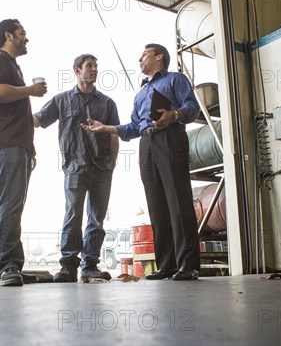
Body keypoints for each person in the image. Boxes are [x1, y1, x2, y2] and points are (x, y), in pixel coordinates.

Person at [84, 44, 201, 280]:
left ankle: (188, 265)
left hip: (171, 138)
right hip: (146, 144)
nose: (139, 59)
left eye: (144, 54)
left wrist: (173, 115)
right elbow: (134, 127)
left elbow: (192, 107)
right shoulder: (140, 95)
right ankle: (167, 264)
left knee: (178, 201)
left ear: (160, 56)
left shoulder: (175, 80)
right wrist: (105, 128)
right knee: (156, 205)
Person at [33, 54, 120, 282]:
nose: (94, 70)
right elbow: (38, 120)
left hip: (102, 168)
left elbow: (114, 133)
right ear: (77, 70)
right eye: (89, 66)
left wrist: (113, 160)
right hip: (74, 167)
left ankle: (90, 265)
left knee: (96, 219)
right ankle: (68, 266)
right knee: (73, 215)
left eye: (96, 66)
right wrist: (17, 109)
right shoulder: (61, 101)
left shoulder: (107, 103)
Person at [0, 19, 47, 286]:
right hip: (4, 143)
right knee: (10, 204)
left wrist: (29, 148)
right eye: (22, 33)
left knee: (3, 205)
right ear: (8, 35)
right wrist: (30, 90)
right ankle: (8, 266)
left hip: (13, 144)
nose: (26, 38)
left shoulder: (11, 66)